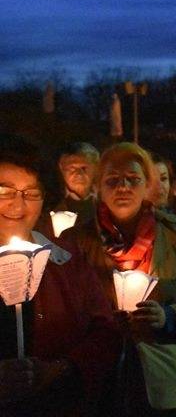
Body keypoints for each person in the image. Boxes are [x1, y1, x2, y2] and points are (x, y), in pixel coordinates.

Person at [62, 142, 176, 413]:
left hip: (172, 382)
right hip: (103, 381)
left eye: (133, 179)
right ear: (98, 187)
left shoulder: (175, 232)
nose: (123, 187)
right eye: (113, 180)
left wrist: (168, 316)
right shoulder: (75, 240)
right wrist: (106, 320)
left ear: (148, 185)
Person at [0, 135, 120, 416]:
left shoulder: (65, 259)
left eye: (31, 192)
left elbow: (105, 332)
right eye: (4, 192)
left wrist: (60, 369)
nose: (18, 203)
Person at [51, 142, 100, 228]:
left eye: (84, 168)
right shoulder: (50, 204)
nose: (79, 174)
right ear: (62, 168)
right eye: (72, 169)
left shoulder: (108, 202)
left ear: (96, 168)